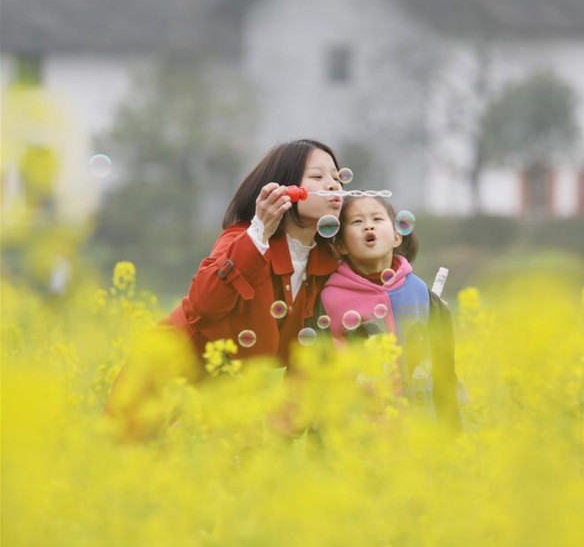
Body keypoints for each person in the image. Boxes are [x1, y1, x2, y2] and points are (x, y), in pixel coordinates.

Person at [105, 139, 344, 434]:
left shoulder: (327, 263)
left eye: (337, 177)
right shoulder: (244, 239)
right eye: (318, 177)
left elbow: (312, 353)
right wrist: (259, 233)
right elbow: (204, 303)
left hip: (224, 401)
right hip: (164, 377)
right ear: (285, 190)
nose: (333, 185)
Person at [316, 195, 461, 432]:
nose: (368, 226)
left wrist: (451, 429)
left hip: (420, 430)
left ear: (396, 237)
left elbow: (443, 367)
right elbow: (321, 369)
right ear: (340, 245)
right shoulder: (330, 299)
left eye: (377, 219)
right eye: (357, 222)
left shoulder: (420, 293)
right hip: (361, 433)